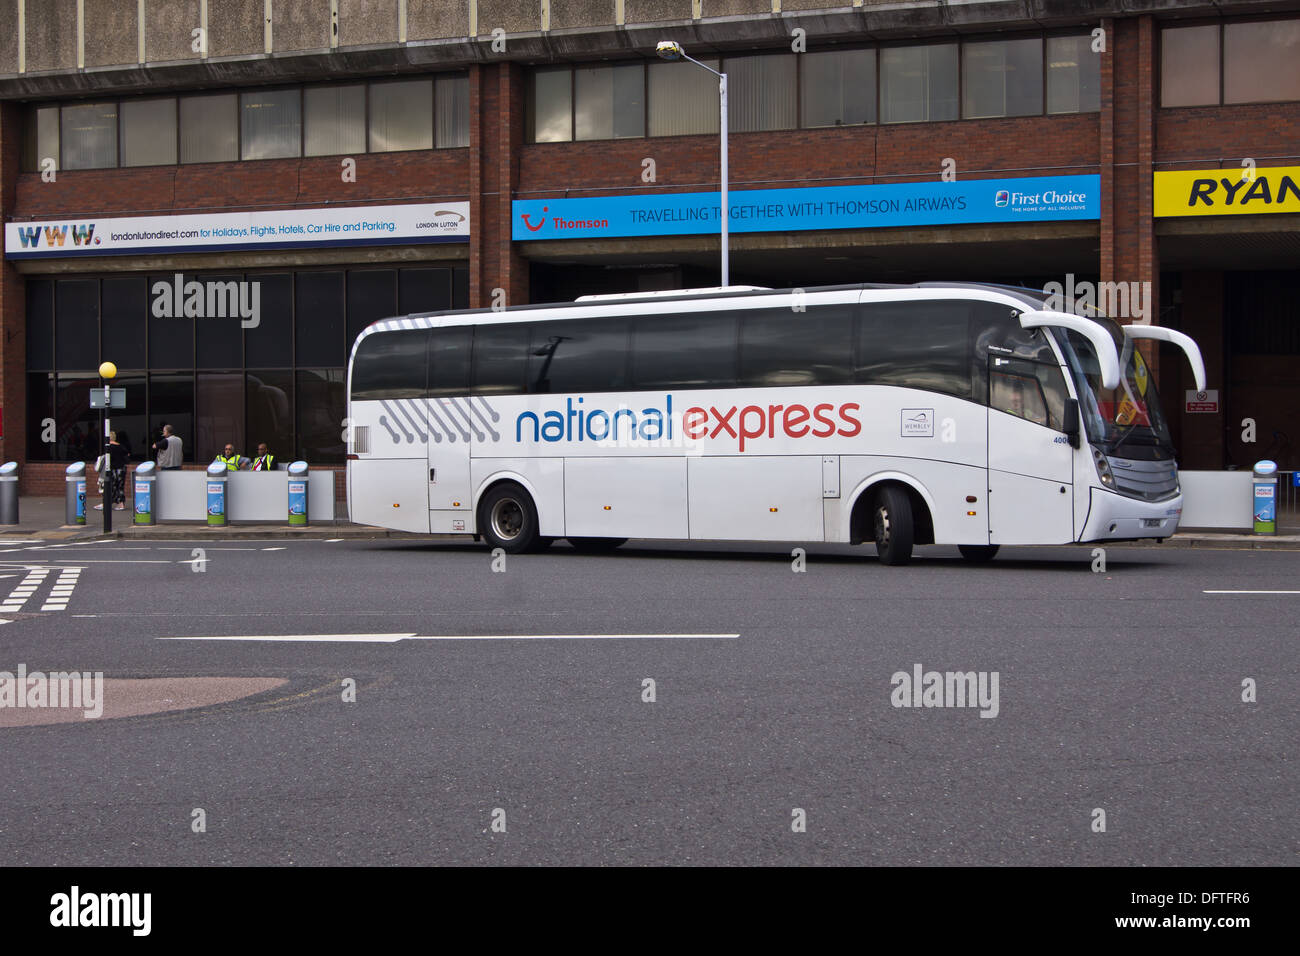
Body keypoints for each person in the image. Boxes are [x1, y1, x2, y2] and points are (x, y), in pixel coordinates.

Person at [93, 431, 128, 511]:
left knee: (109, 487)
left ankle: (106, 503)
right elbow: (127, 456)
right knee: (120, 487)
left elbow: (108, 460)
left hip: (113, 470)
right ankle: (121, 504)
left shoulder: (109, 447)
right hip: (122, 469)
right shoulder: (121, 446)